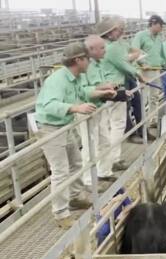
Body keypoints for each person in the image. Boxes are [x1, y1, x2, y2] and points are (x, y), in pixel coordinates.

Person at [36, 43, 116, 228]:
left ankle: (75, 197)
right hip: (50, 128)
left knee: (76, 163)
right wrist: (76, 108)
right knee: (60, 171)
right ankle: (61, 213)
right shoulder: (57, 80)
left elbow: (84, 92)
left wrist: (102, 92)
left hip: (64, 125)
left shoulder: (76, 77)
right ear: (78, 60)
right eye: (87, 58)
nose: (89, 62)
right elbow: (49, 105)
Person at [98, 17, 145, 169]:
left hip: (104, 88)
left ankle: (106, 161)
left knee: (107, 126)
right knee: (117, 124)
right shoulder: (112, 47)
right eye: (117, 29)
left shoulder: (103, 47)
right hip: (115, 88)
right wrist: (138, 74)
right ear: (110, 33)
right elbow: (123, 65)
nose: (120, 32)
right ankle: (113, 159)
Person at [79, 35, 118, 186]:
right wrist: (105, 87)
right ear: (91, 50)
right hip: (87, 110)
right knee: (90, 145)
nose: (104, 50)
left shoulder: (98, 63)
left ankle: (104, 171)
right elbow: (85, 90)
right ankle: (88, 180)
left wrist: (107, 85)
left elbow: (98, 84)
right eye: (101, 48)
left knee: (104, 141)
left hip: (99, 107)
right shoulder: (86, 67)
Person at [131, 15, 165, 121]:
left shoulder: (159, 37)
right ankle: (142, 121)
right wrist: (142, 63)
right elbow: (134, 50)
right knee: (143, 97)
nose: (161, 28)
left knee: (154, 97)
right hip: (144, 72)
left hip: (156, 70)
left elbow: (160, 53)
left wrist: (164, 64)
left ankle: (152, 119)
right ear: (153, 24)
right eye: (160, 25)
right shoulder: (140, 35)